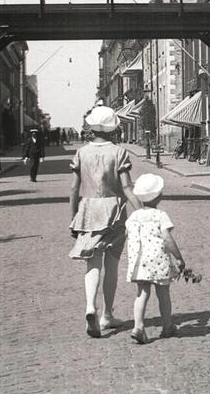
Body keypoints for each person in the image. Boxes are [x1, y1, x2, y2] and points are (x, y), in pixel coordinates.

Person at [68, 106, 142, 338]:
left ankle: (91, 305)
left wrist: (73, 217)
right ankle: (107, 315)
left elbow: (73, 188)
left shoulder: (81, 153)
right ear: (113, 128)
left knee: (92, 263)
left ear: (92, 128)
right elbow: (127, 187)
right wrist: (140, 212)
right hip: (114, 211)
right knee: (111, 265)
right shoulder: (119, 153)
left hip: (88, 210)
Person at [125, 173, 185, 344]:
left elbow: (127, 233)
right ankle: (167, 327)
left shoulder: (133, 217)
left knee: (141, 293)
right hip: (158, 261)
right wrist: (179, 258)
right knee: (163, 293)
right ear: (158, 196)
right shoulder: (160, 215)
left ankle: (138, 327)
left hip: (139, 261)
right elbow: (167, 238)